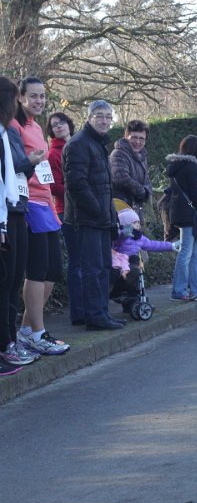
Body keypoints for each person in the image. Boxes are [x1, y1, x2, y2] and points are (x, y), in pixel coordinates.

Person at [11, 77, 70, 356]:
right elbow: (16, 166)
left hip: (46, 204)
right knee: (37, 269)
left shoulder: (36, 127)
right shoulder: (14, 125)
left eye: (43, 96)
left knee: (53, 269)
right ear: (20, 97)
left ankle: (27, 329)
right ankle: (37, 332)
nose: (39, 101)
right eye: (33, 96)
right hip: (29, 203)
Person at [63, 100, 124, 331]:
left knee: (103, 268)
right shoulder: (79, 144)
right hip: (87, 219)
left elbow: (105, 186)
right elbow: (76, 184)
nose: (104, 120)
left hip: (101, 219)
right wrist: (98, 210)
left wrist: (110, 215)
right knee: (93, 269)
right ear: (88, 118)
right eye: (99, 115)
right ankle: (95, 317)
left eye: (108, 116)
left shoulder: (98, 143)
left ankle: (102, 313)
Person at [0, 76, 30, 375]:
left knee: (11, 280)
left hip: (12, 211)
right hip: (5, 217)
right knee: (5, 281)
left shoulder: (5, 131)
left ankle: (9, 341)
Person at [46, 111, 84, 325]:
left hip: (86, 209)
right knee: (76, 261)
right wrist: (78, 193)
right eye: (54, 125)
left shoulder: (79, 145)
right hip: (66, 211)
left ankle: (91, 307)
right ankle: (78, 312)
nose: (59, 126)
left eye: (62, 122)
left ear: (69, 124)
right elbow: (54, 186)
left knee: (88, 261)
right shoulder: (53, 154)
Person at [166, 135, 197, 301]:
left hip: (179, 212)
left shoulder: (175, 166)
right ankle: (178, 290)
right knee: (187, 252)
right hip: (189, 214)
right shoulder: (191, 166)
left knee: (194, 252)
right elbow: (196, 194)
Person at [110, 206, 180, 304]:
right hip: (120, 261)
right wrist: (125, 232)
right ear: (126, 224)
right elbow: (118, 240)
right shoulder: (121, 235)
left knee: (135, 264)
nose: (138, 224)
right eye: (134, 222)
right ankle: (118, 290)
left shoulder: (140, 238)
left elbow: (152, 245)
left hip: (132, 261)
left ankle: (133, 297)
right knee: (124, 272)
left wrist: (170, 246)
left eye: (138, 222)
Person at [109, 120, 152, 224]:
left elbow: (146, 180)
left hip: (135, 210)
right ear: (126, 136)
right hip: (122, 211)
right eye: (134, 137)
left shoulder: (142, 157)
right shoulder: (119, 154)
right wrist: (143, 191)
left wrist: (147, 189)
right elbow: (121, 178)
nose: (137, 142)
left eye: (141, 138)